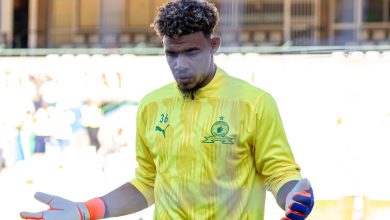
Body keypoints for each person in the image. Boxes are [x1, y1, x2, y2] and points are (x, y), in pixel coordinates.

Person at [20, 0, 314, 219]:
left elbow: (279, 172)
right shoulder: (152, 105)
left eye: (191, 52)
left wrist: (293, 196)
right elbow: (148, 182)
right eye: (171, 54)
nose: (180, 65)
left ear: (214, 44)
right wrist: (87, 210)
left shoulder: (253, 102)